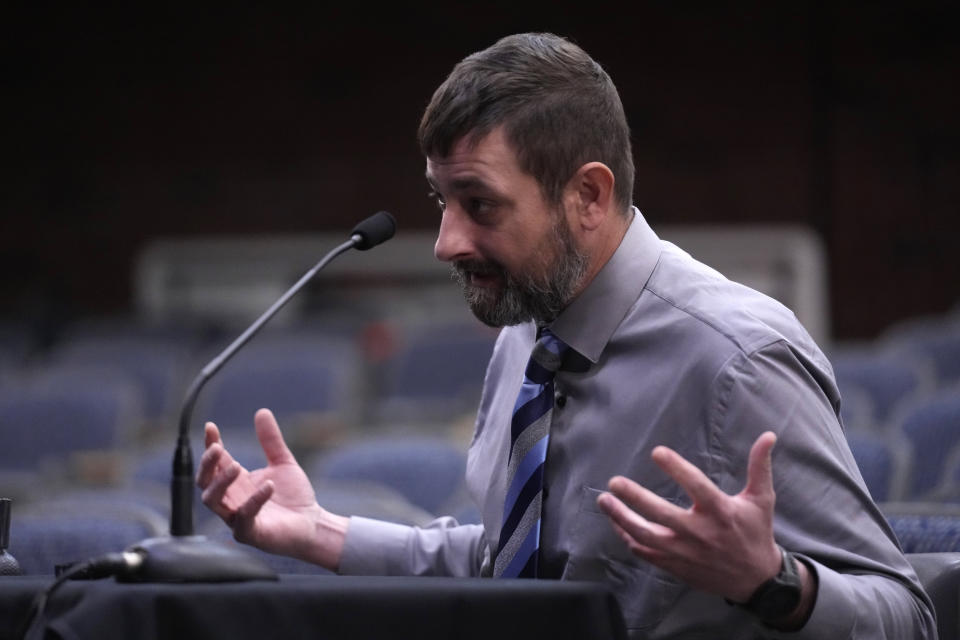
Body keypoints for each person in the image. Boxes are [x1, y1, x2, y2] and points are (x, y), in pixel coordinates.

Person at [197, 32, 937, 638]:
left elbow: (909, 616)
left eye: (479, 204)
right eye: (441, 200)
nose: (445, 242)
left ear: (588, 195)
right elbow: (514, 568)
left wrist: (770, 583)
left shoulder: (737, 360)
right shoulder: (529, 327)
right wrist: (318, 532)